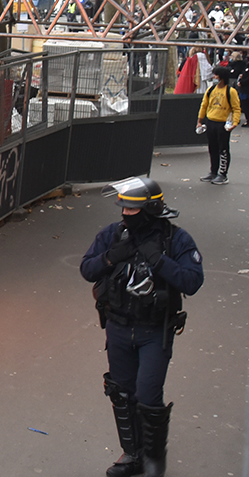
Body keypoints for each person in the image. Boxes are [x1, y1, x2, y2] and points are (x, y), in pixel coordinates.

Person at [80, 176, 204, 477]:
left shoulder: (176, 239)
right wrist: (112, 257)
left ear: (149, 211)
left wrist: (159, 262)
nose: (125, 215)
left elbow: (192, 280)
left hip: (154, 331)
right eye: (122, 209)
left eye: (132, 210)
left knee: (147, 395)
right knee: (121, 393)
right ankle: (132, 454)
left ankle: (153, 459)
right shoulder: (113, 235)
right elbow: (87, 269)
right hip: (119, 327)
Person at [196, 66, 240, 185]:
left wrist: (234, 123)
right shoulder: (211, 90)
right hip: (211, 122)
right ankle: (213, 171)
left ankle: (223, 174)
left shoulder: (230, 91)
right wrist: (200, 120)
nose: (214, 77)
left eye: (216, 75)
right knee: (212, 148)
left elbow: (236, 108)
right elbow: (204, 105)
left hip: (223, 123)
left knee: (223, 149)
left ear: (221, 77)